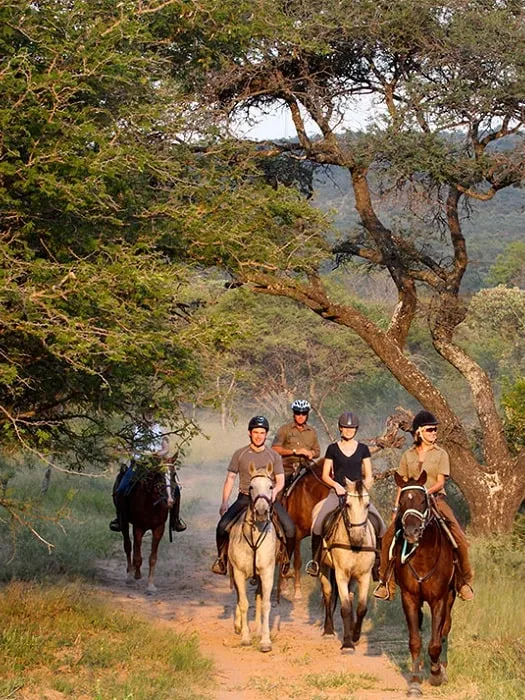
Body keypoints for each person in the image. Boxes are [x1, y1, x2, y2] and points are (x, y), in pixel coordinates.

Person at [373, 410, 474, 601]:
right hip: (410, 504)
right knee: (387, 538)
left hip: (435, 499)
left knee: (459, 538)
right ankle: (385, 582)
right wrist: (395, 509)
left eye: (435, 429)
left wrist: (424, 494)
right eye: (430, 430)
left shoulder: (441, 454)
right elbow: (402, 485)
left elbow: (440, 482)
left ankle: (463, 582)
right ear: (419, 432)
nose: (434, 433)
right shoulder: (407, 455)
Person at [211, 415, 296, 576]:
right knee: (222, 526)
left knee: (290, 529)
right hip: (245, 498)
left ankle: (286, 562)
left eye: (262, 433)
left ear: (266, 434)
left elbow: (280, 481)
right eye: (255, 432)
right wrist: (224, 502)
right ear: (249, 433)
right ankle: (221, 560)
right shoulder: (240, 454)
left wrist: (274, 493)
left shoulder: (274, 456)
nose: (259, 436)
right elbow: (230, 478)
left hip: (268, 500)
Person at [305, 411, 386, 577]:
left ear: (356, 429)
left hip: (357, 496)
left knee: (381, 525)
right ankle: (315, 562)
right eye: (345, 427)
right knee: (318, 524)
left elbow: (369, 475)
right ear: (340, 428)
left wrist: (363, 489)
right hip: (338, 493)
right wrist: (336, 485)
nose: (349, 430)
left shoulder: (363, 449)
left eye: (352, 428)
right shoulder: (332, 449)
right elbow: (325, 475)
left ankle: (378, 565)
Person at [109, 422, 185, 532]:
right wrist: (127, 449)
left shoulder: (160, 429)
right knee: (121, 489)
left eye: (151, 413)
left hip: (156, 465)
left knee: (175, 489)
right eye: (146, 413)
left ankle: (175, 520)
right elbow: (127, 446)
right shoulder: (134, 429)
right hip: (137, 465)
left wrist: (156, 454)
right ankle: (120, 519)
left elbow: (166, 449)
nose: (149, 415)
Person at [271, 399, 321, 486]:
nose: (301, 416)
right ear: (294, 414)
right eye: (298, 413)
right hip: (288, 467)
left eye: (304, 413)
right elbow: (274, 449)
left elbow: (317, 452)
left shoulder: (312, 431)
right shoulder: (284, 429)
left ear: (307, 415)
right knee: (279, 486)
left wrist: (311, 453)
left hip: (307, 466)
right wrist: (294, 451)